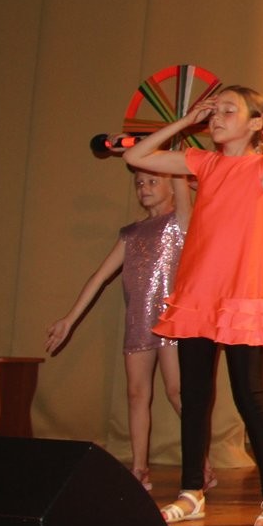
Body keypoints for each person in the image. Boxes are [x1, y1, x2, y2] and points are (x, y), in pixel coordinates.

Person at [126, 87, 263, 526]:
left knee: (249, 397)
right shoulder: (203, 162)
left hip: (239, 298)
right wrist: (186, 121)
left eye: (228, 111)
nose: (217, 117)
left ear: (254, 123)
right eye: (214, 111)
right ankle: (191, 492)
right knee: (194, 398)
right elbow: (137, 156)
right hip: (196, 297)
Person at [44, 166, 192, 490]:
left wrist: (171, 156)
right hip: (139, 322)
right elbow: (99, 277)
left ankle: (199, 463)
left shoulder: (179, 223)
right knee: (136, 394)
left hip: (172, 323)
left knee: (176, 391)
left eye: (153, 181)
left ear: (172, 186)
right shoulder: (132, 233)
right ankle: (139, 468)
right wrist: (69, 319)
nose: (144, 188)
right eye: (139, 183)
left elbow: (180, 173)